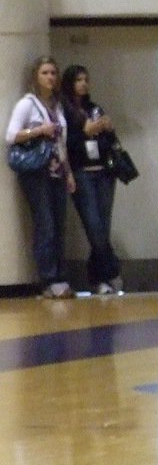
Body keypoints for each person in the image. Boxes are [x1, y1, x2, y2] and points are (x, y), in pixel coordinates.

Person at [6, 56, 76, 299]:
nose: (50, 78)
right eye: (45, 73)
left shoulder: (57, 105)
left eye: (53, 73)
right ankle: (49, 279)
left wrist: (68, 173)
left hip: (57, 170)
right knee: (45, 225)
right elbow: (11, 136)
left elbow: (61, 142)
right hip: (37, 172)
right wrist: (38, 130)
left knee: (59, 225)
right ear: (36, 76)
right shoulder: (27, 104)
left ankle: (60, 276)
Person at [62, 64, 123, 295]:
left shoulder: (95, 109)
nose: (83, 84)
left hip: (104, 173)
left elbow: (110, 142)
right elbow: (68, 143)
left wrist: (106, 129)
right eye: (78, 80)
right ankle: (112, 269)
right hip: (81, 173)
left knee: (103, 227)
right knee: (94, 228)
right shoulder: (65, 111)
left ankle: (99, 278)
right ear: (70, 83)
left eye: (86, 79)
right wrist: (87, 132)